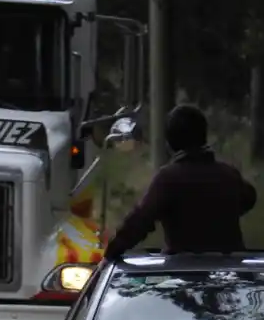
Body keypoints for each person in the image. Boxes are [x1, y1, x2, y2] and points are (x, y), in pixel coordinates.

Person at [103, 103, 257, 261]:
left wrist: (111, 252)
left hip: (182, 272)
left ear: (170, 143)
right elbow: (250, 198)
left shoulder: (168, 179)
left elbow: (140, 221)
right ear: (204, 136)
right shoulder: (228, 175)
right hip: (232, 272)